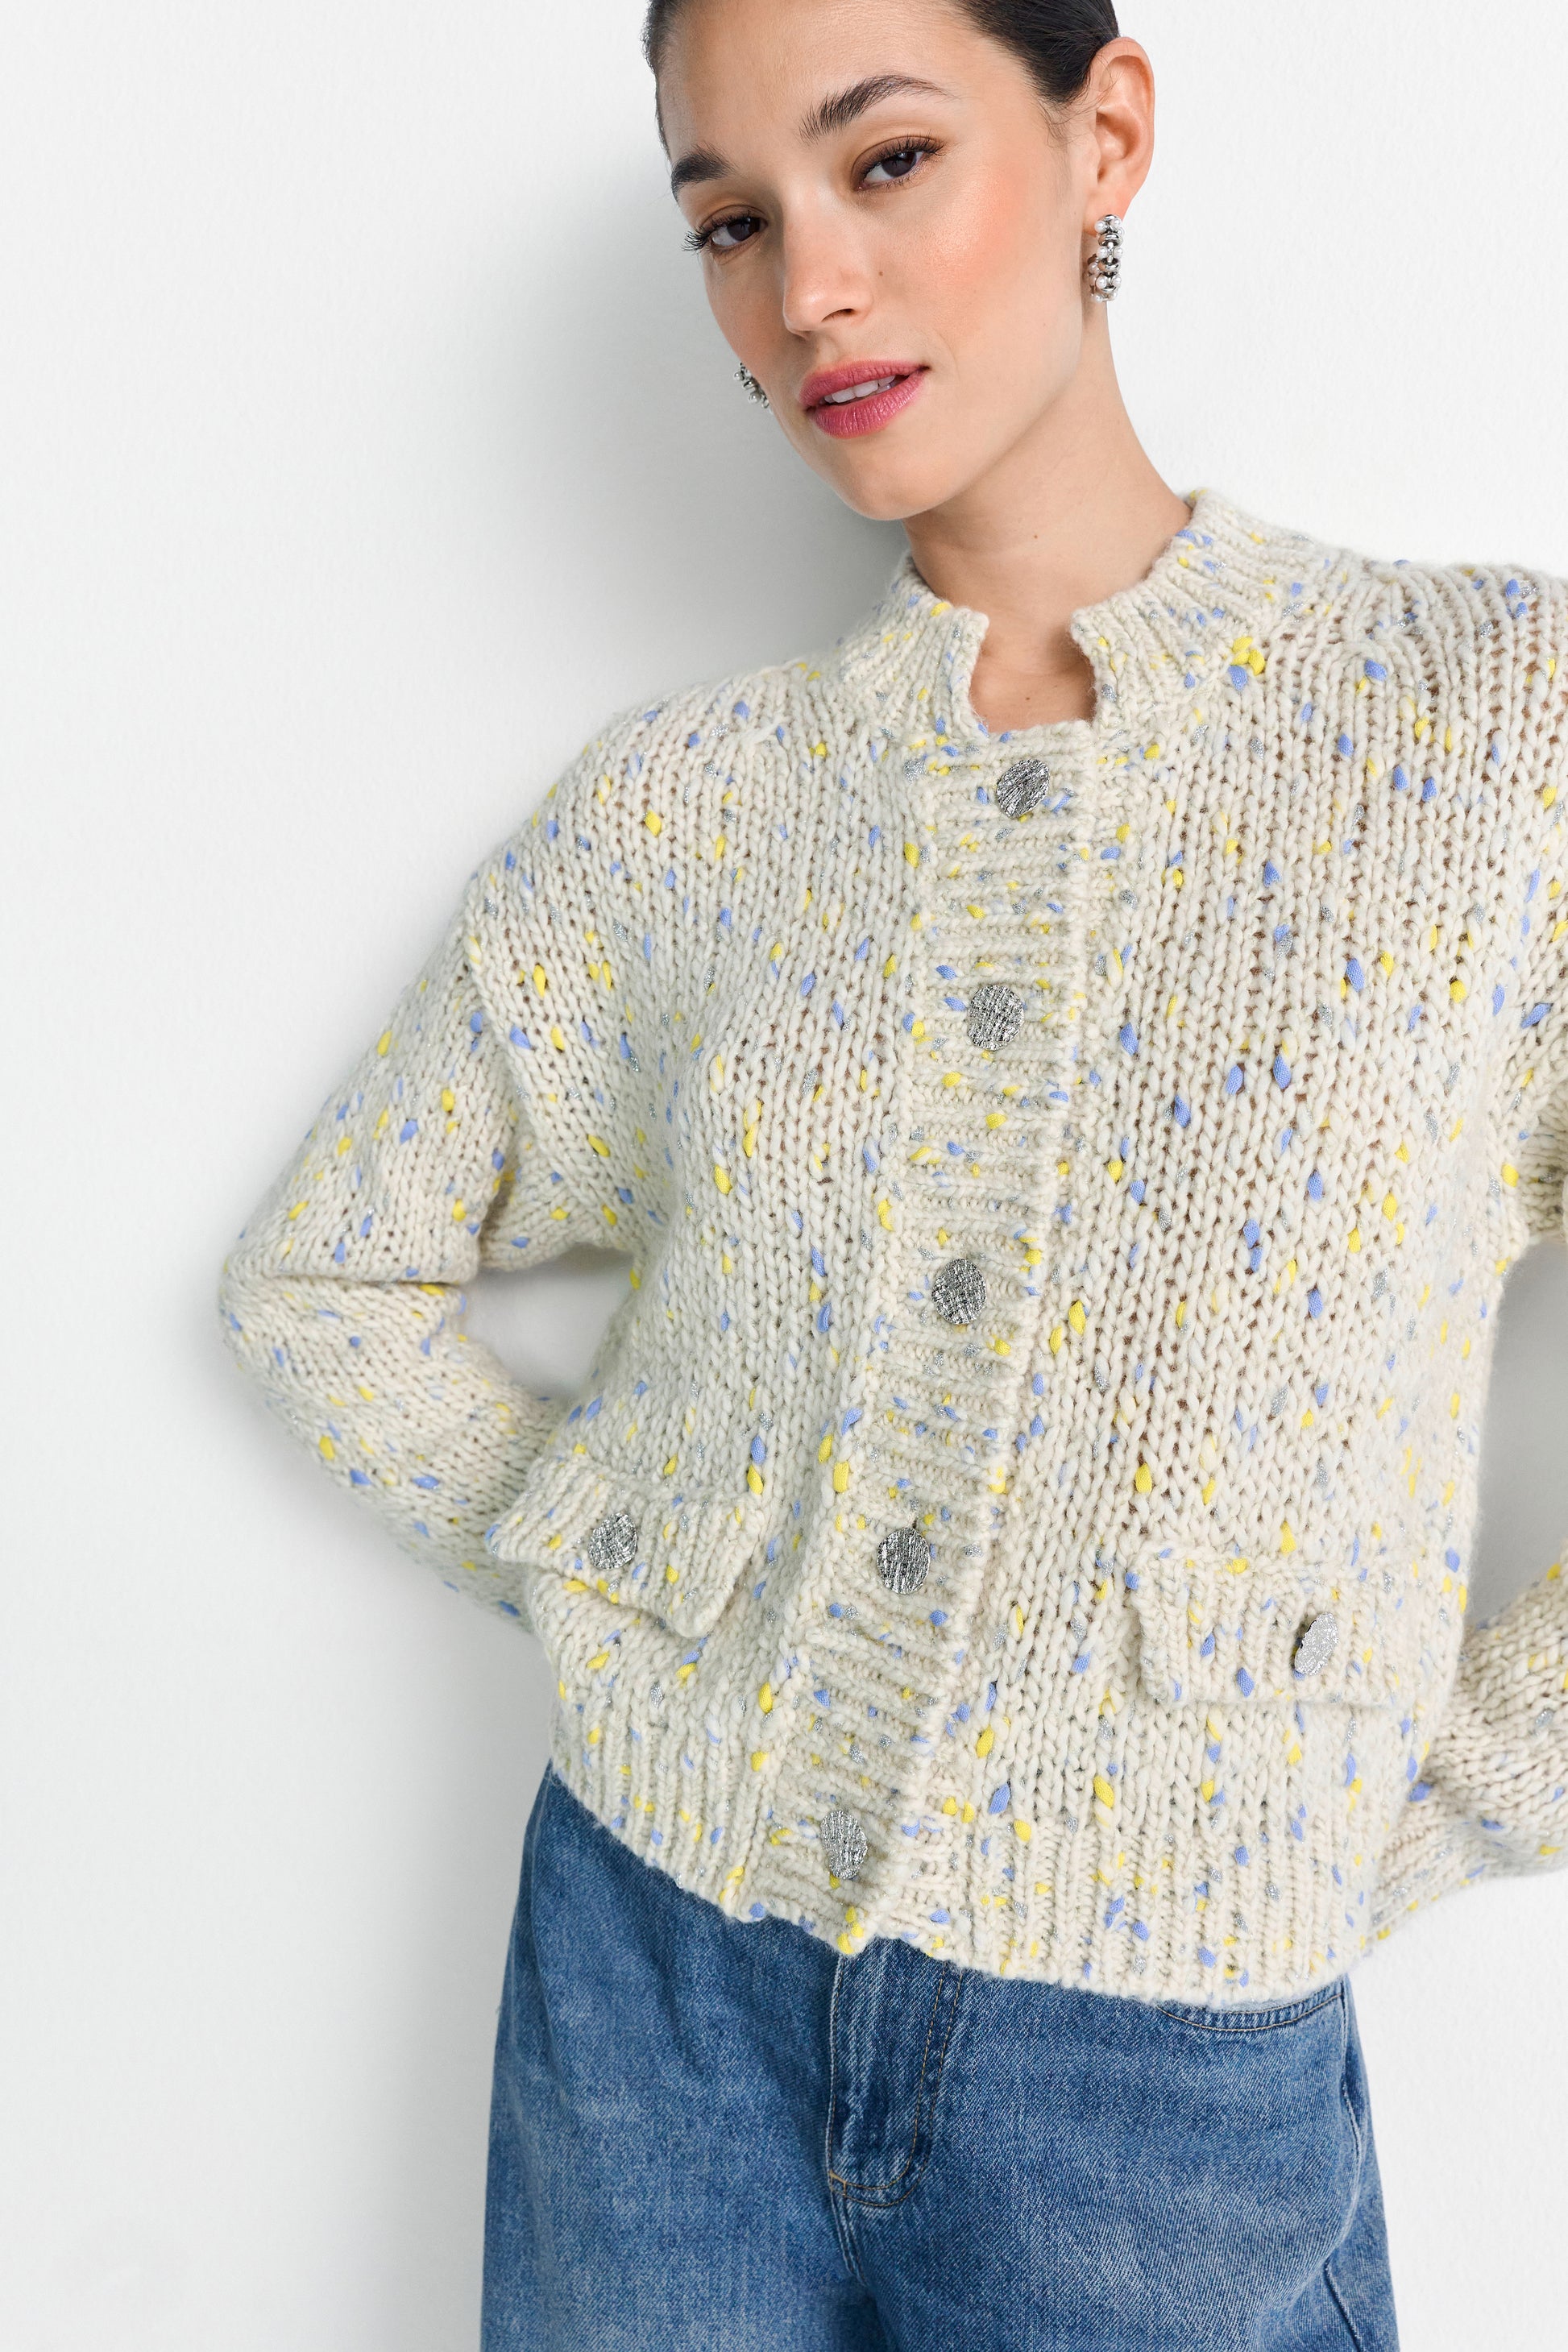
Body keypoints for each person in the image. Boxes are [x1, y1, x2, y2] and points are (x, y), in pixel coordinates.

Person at [217, 2, 1568, 2345]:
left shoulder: (1491, 729)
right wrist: (632, 1583)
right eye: (728, 222)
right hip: (647, 1988)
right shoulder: (684, 810)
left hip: (1164, 2059)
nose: (806, 288)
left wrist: (1452, 1780)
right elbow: (319, 1281)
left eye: (889, 161)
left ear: (1103, 131)